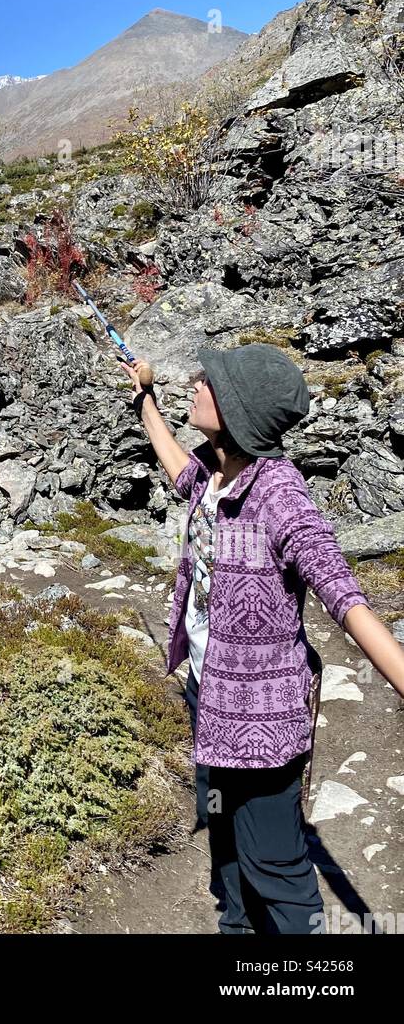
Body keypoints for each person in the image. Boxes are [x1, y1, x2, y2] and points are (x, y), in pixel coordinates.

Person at [120, 343, 404, 934]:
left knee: (276, 865)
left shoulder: (279, 494)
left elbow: (344, 597)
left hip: (261, 725)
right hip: (209, 697)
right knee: (224, 844)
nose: (198, 384)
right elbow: (178, 472)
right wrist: (145, 397)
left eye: (211, 383)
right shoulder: (216, 469)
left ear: (239, 413)